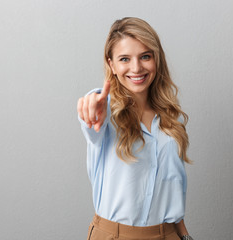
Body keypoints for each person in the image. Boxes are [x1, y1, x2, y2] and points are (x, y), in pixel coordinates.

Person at [77, 17, 194, 240]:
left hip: (169, 233)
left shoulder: (170, 119)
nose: (136, 67)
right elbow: (91, 119)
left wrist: (185, 236)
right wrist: (92, 109)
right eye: (124, 59)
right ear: (111, 64)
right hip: (115, 235)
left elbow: (171, 189)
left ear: (156, 60)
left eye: (145, 56)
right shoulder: (106, 113)